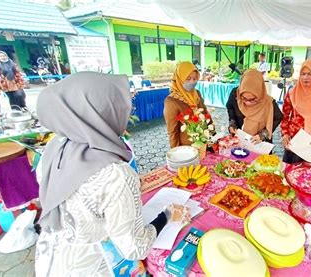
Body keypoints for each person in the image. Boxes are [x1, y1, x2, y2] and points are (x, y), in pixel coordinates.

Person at [34, 72, 191, 276]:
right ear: (98, 112)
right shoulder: (115, 174)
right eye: (120, 106)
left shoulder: (55, 147)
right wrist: (168, 214)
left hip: (51, 259)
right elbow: (135, 248)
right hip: (93, 266)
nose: (127, 112)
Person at [226, 69, 283, 144]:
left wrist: (263, 134)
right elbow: (230, 108)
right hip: (239, 139)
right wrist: (232, 123)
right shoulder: (236, 94)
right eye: (244, 98)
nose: (248, 103)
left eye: (252, 99)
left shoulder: (268, 103)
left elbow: (278, 117)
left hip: (259, 143)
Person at [164, 61, 209, 148]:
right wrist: (176, 152)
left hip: (203, 142)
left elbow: (205, 113)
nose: (192, 82)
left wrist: (212, 134)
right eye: (188, 79)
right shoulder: (171, 101)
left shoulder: (197, 94)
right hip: (186, 148)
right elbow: (172, 131)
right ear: (180, 79)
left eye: (195, 78)